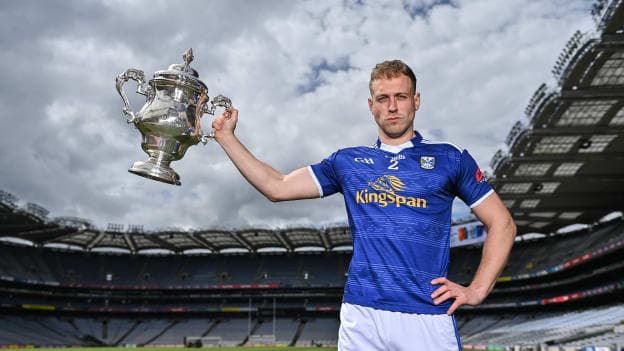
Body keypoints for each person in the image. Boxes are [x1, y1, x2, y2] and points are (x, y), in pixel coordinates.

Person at [211, 60, 516, 350]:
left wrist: (477, 290)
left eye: (401, 96)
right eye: (383, 98)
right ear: (371, 106)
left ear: (416, 100)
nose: (392, 106)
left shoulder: (450, 159)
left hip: (427, 313)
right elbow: (276, 186)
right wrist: (226, 138)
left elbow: (502, 223)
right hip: (362, 314)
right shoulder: (348, 161)